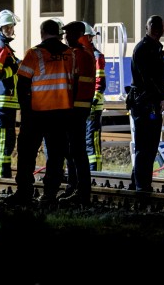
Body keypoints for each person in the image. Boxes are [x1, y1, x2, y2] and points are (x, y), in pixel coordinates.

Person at [6, 19, 75, 208]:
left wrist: (25, 111)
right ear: (59, 34)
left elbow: (22, 84)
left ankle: (24, 193)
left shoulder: (34, 53)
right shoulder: (70, 54)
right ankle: (49, 195)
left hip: (37, 113)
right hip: (62, 113)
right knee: (56, 155)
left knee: (27, 154)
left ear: (42, 32)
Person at [128, 15, 164, 193]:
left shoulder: (154, 48)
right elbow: (148, 79)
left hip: (150, 103)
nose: (157, 28)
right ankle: (142, 186)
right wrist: (162, 96)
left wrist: (163, 97)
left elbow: (158, 79)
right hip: (143, 103)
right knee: (145, 147)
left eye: (159, 25)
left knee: (149, 147)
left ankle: (138, 183)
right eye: (153, 25)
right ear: (146, 28)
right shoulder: (144, 49)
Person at [61, 20, 97, 204]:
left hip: (74, 108)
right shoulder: (86, 53)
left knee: (76, 151)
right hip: (79, 107)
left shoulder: (77, 54)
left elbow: (72, 81)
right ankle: (74, 188)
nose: (65, 37)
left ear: (77, 35)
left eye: (68, 34)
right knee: (74, 150)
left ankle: (80, 191)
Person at [0, 10, 21, 178]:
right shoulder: (0, 45)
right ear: (2, 28)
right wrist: (14, 68)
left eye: (11, 27)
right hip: (2, 99)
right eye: (8, 27)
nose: (11, 30)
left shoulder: (3, 45)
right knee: (2, 140)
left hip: (6, 100)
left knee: (7, 139)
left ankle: (2, 173)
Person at [80, 23, 106, 172]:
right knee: (85, 140)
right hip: (85, 105)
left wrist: (93, 101)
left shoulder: (96, 56)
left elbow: (100, 83)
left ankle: (95, 173)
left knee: (92, 140)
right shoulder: (83, 55)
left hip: (93, 106)